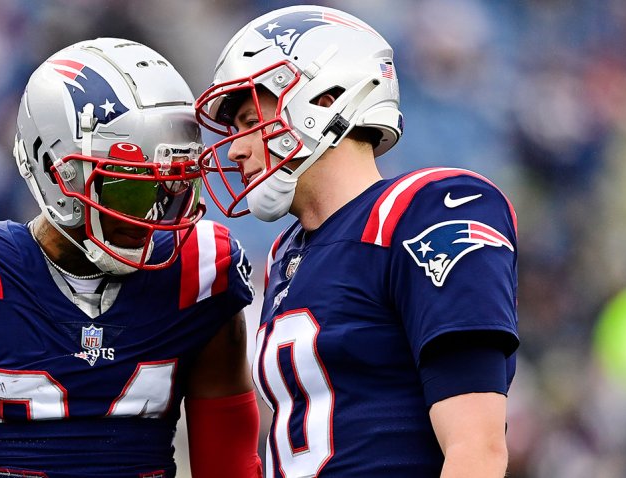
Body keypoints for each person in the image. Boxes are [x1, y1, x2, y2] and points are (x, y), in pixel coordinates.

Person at [0, 37, 262, 478]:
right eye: (132, 188)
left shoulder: (199, 272)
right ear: (55, 172)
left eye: (175, 187)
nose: (155, 215)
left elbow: (228, 468)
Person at [194, 5, 519, 477]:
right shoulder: (285, 256)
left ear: (325, 99)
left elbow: (477, 451)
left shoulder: (426, 209)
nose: (236, 147)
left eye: (248, 121)